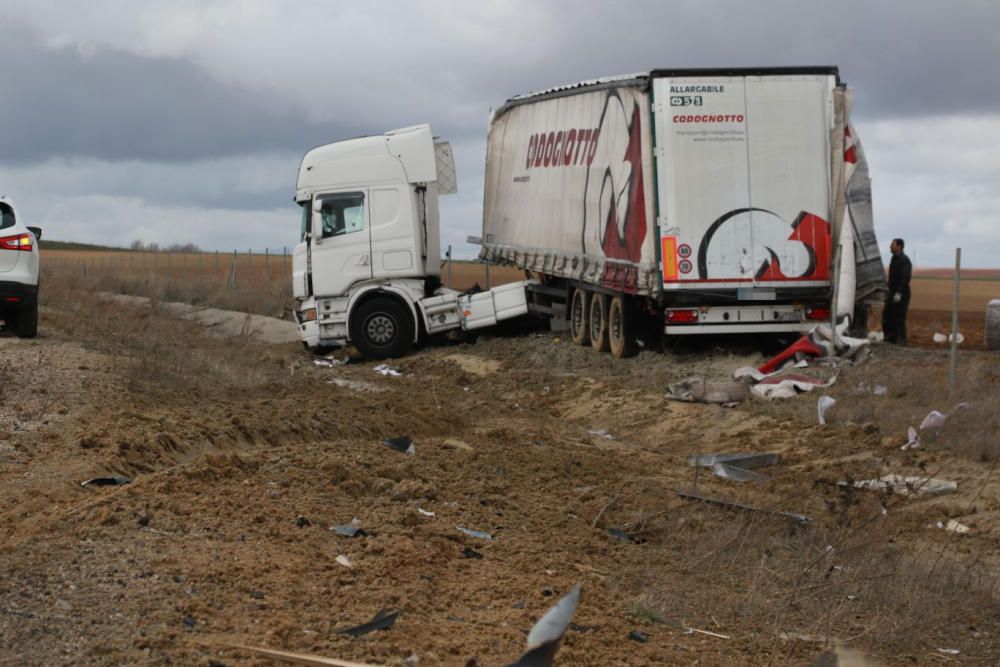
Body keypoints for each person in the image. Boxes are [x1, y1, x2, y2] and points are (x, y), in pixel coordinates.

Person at [882, 238, 912, 345]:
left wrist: (899, 292)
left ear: (899, 246)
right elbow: (892, 278)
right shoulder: (893, 259)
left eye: (892, 244)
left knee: (899, 317)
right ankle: (890, 339)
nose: (890, 246)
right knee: (887, 316)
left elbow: (905, 278)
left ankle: (902, 341)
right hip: (892, 292)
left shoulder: (904, 260)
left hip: (902, 293)